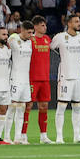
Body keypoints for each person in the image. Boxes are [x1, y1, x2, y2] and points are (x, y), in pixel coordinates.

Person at [50, 13, 80, 144]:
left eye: (79, 21)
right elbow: (51, 48)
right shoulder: (60, 37)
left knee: (77, 106)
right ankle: (59, 137)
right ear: (69, 23)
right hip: (65, 76)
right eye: (76, 21)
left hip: (78, 76)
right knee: (61, 106)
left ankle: (77, 136)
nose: (79, 23)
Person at [22, 15, 52, 144]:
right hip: (32, 78)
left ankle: (43, 136)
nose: (45, 27)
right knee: (28, 106)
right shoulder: (30, 40)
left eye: (45, 25)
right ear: (35, 27)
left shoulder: (47, 39)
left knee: (44, 106)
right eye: (42, 25)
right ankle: (23, 135)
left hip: (45, 78)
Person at [7, 20, 35, 144]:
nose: (31, 35)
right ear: (22, 30)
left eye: (32, 32)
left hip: (25, 80)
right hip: (15, 78)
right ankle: (6, 136)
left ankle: (18, 137)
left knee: (22, 108)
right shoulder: (14, 39)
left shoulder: (29, 42)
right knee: (11, 107)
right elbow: (5, 44)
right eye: (29, 32)